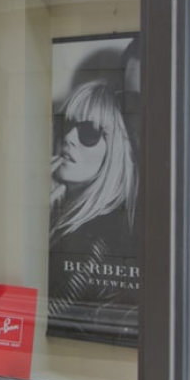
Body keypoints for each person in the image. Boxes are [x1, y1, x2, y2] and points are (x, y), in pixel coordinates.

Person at [47, 79, 140, 344]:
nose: (68, 138)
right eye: (66, 123)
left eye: (89, 131)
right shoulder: (73, 222)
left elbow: (43, 318)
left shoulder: (88, 243)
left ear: (114, 151)